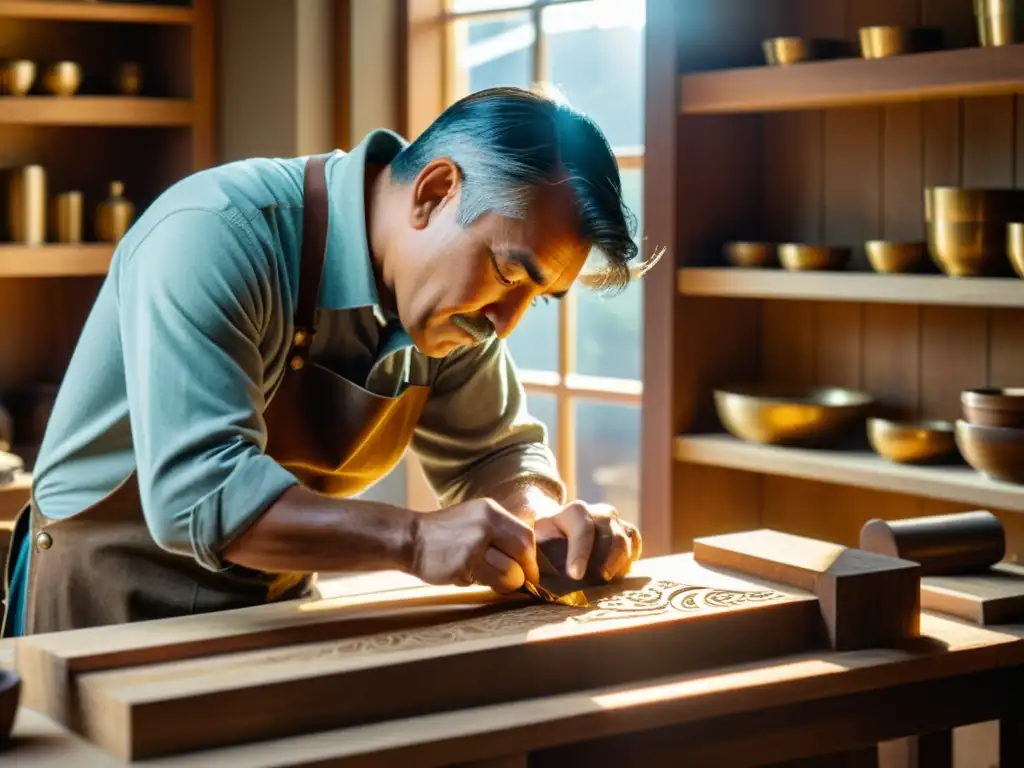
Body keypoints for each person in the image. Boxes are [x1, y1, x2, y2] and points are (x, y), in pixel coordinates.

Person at [2, 86, 650, 637]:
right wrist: (417, 540)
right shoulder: (215, 232)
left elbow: (497, 455)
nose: (504, 323)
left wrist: (541, 522)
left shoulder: (455, 309)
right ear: (433, 192)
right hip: (103, 603)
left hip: (270, 608)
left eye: (535, 300)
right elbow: (200, 495)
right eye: (509, 271)